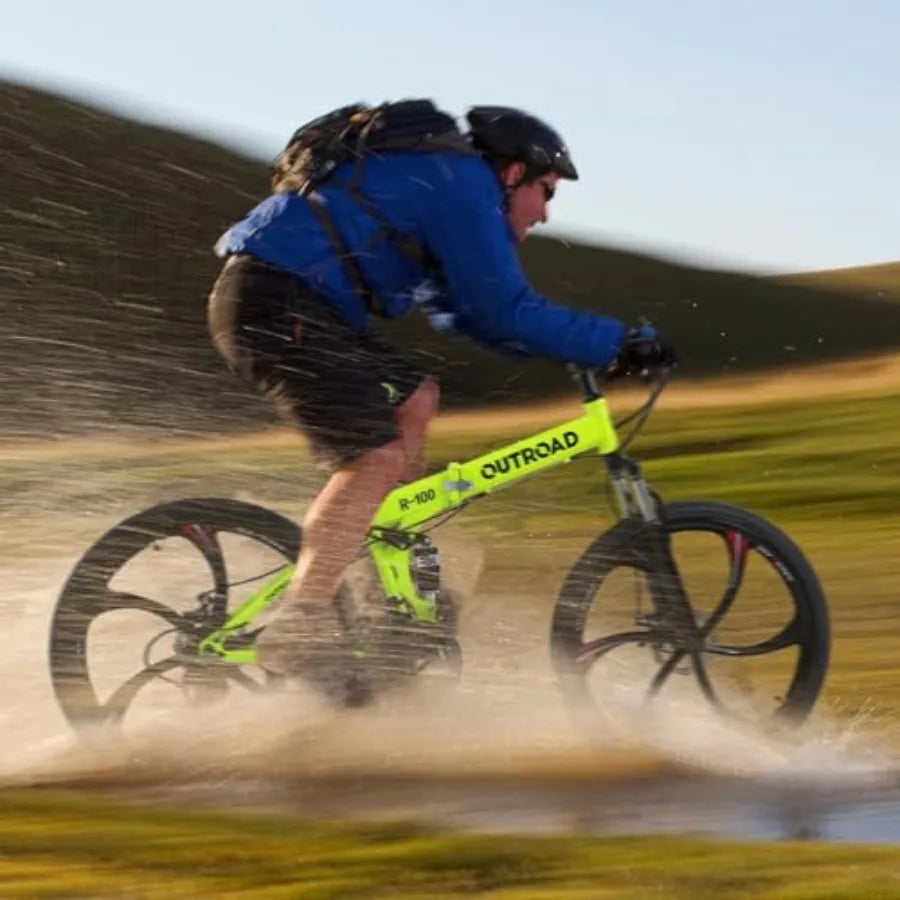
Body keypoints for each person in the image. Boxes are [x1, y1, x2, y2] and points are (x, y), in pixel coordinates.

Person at [207, 101, 674, 685]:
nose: (546, 213)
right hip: (278, 304)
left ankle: (386, 586)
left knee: (416, 399)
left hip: (294, 302)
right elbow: (505, 309)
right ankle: (303, 615)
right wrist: (614, 344)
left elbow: (468, 313)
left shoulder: (444, 183)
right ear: (514, 173)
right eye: (547, 191)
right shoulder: (463, 185)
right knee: (375, 457)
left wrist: (578, 347)